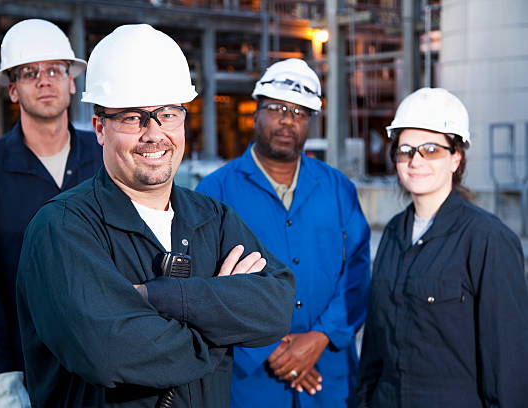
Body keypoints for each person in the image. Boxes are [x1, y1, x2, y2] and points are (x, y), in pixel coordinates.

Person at [15, 24, 296, 407]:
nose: (154, 134)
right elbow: (109, 354)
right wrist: (218, 325)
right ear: (100, 128)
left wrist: (161, 297)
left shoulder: (211, 218)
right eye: (133, 118)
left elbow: (277, 306)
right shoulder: (62, 229)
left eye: (167, 114)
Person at [197, 58, 371, 407]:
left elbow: (357, 271)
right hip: (249, 383)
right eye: (276, 107)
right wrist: (267, 349)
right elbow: (204, 286)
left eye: (300, 112)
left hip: (328, 377)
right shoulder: (215, 191)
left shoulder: (338, 188)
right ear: (256, 112)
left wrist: (321, 337)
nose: (287, 119)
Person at [0, 19, 103, 408]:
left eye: (55, 69)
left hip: (104, 364)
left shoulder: (105, 159)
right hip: (25, 373)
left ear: (72, 82)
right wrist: (0, 378)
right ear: (13, 90)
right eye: (30, 73)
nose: (45, 80)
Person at [357, 87, 528, 407]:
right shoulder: (394, 233)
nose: (415, 160)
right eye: (405, 150)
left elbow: (507, 367)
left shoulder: (487, 239)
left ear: (456, 157)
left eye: (431, 149)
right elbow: (374, 346)